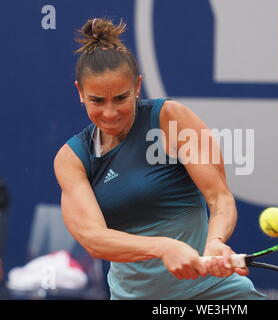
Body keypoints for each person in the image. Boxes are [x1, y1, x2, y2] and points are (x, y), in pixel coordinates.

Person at [54, 18, 266, 300]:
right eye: (97, 100)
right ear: (80, 92)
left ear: (137, 86)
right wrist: (163, 247)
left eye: (120, 98)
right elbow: (93, 238)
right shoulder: (73, 159)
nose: (109, 112)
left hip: (215, 294)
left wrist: (214, 241)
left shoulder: (170, 119)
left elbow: (219, 198)